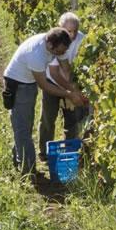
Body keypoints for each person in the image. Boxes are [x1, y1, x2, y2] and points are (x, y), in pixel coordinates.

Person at [2, 27, 87, 176]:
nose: (61, 54)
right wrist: (68, 94)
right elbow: (45, 86)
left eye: (63, 51)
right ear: (49, 45)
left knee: (26, 124)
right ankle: (27, 170)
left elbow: (65, 67)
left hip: (29, 82)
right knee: (22, 127)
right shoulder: (36, 54)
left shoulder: (58, 44)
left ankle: (18, 159)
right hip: (17, 83)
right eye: (59, 51)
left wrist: (74, 90)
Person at [38, 12, 88, 162]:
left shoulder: (83, 40)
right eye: (68, 31)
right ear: (60, 28)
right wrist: (68, 92)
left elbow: (70, 69)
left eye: (74, 31)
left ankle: (69, 151)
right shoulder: (54, 40)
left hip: (72, 82)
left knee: (73, 118)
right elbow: (55, 73)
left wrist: (72, 90)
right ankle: (44, 152)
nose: (72, 35)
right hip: (52, 82)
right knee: (48, 117)